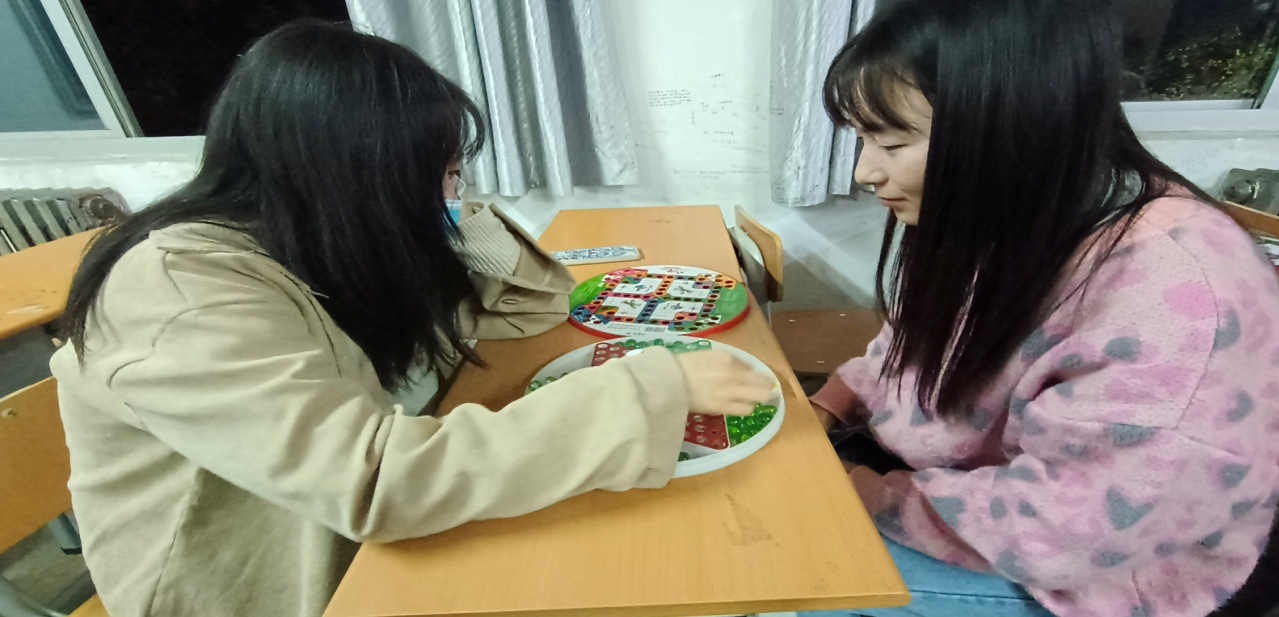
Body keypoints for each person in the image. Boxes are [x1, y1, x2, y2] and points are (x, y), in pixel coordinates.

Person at [50, 21, 773, 617]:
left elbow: (531, 306)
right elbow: (374, 482)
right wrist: (649, 390)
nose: (452, 194)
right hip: (265, 582)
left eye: (454, 171)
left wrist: (450, 206)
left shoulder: (323, 236)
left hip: (356, 536)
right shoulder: (182, 289)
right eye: (438, 172)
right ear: (350, 176)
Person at [800, 1, 1279, 616]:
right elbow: (912, 341)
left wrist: (862, 494)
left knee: (791, 560)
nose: (866, 171)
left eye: (892, 141)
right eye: (863, 138)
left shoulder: (1174, 299)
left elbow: (1068, 529)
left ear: (1014, 123)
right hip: (979, 496)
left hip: (1100, 573)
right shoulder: (1010, 211)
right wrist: (829, 405)